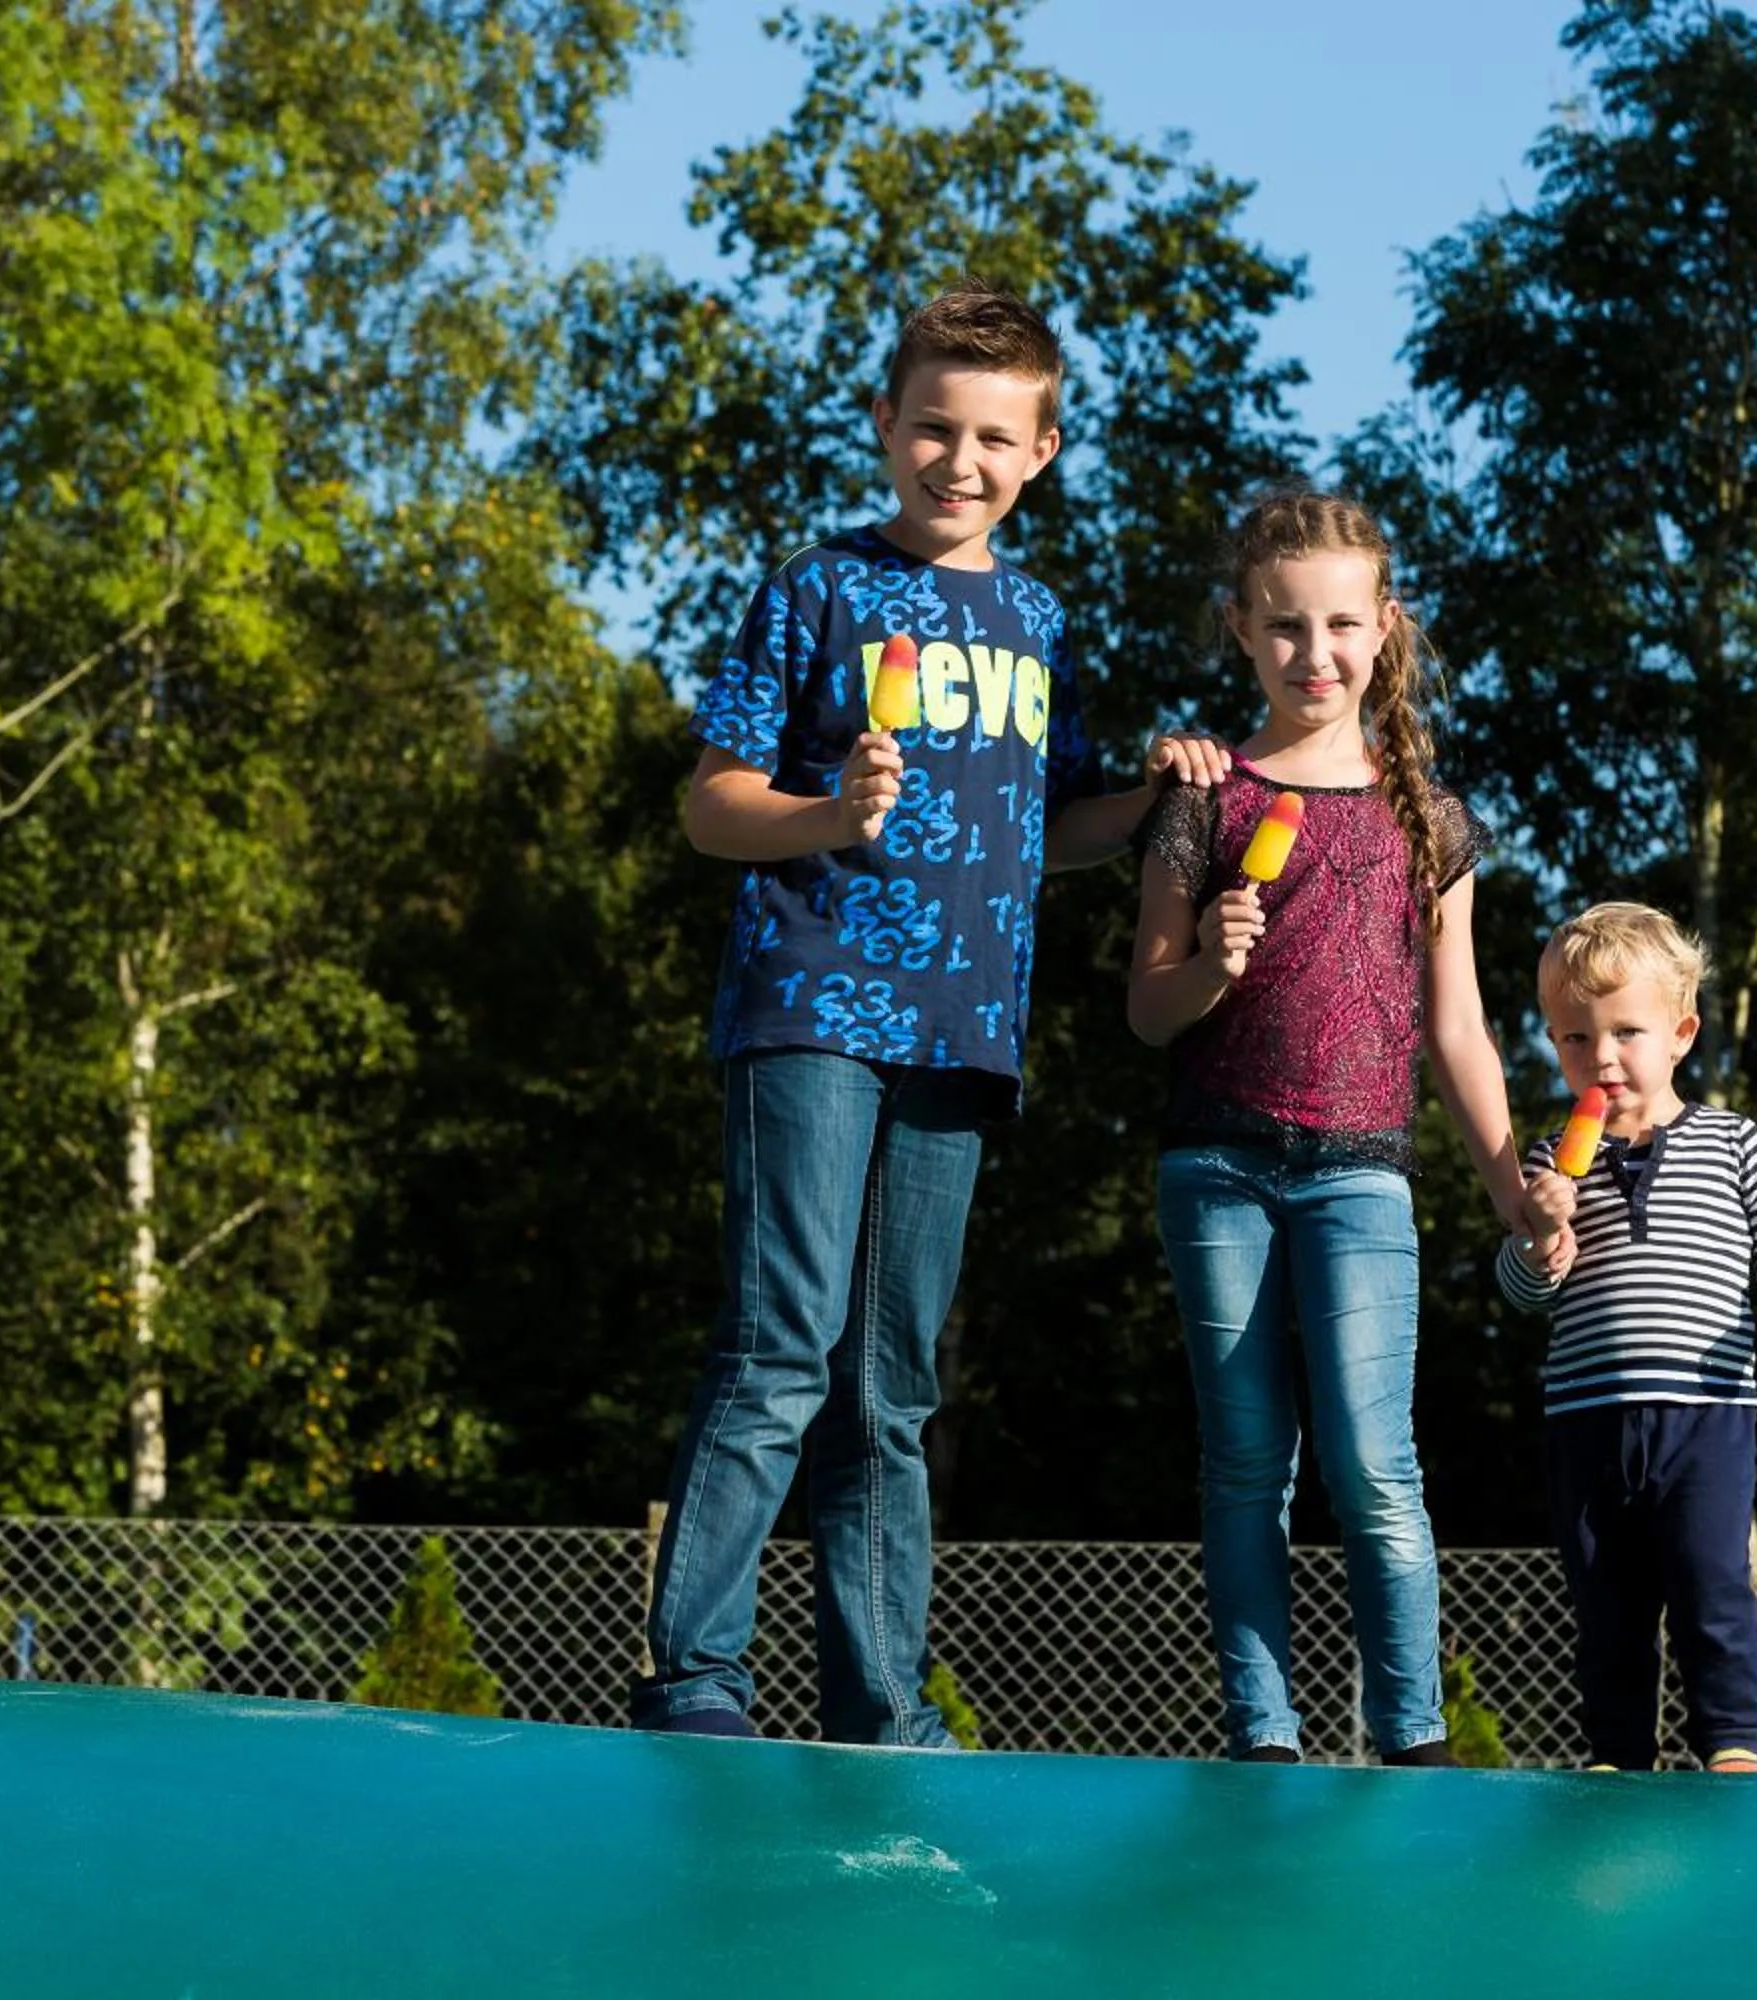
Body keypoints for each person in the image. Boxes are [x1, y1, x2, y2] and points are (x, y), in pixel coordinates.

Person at [632, 284, 1226, 1746]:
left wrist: (1157, 792)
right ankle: (697, 1677)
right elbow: (711, 805)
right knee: (783, 1344)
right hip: (814, 1006)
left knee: (891, 1387)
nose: (960, 461)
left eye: (994, 438)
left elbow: (1052, 827)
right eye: (933, 428)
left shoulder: (1038, 619)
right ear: (884, 424)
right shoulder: (815, 588)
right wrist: (829, 813)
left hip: (962, 1034)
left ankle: (880, 1704)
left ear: (1043, 452)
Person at [1127, 488, 1547, 1767]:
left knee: (1374, 1463)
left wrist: (1512, 1193)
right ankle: (1262, 1731)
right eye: (1285, 626)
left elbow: (1459, 1030)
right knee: (1248, 1460)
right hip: (1217, 1167)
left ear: (1386, 627)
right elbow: (1150, 1009)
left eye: (1342, 624)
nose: (1316, 653)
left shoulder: (1430, 818)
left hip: (1362, 1175)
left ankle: (1413, 1736)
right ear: (1241, 630)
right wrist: (1211, 963)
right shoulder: (1204, 799)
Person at [1497, 901, 1757, 1772]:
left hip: (1707, 1415)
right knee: (1606, 1602)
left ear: (1681, 1034)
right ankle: (1617, 1754)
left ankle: (1731, 1745)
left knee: (1711, 1583)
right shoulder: (1547, 1163)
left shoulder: (1733, 1143)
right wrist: (1538, 1238)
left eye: (1627, 1032)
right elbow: (1520, 1292)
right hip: (1586, 1419)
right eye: (1576, 1037)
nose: (1602, 1056)